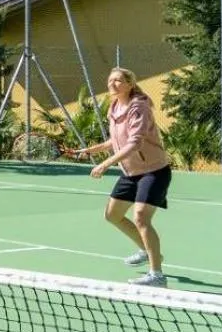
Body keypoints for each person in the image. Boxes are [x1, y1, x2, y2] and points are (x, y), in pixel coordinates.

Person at [66, 67, 171, 287]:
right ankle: (146, 249)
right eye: (110, 80)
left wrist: (104, 164)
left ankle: (157, 275)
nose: (113, 84)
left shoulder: (138, 107)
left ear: (130, 84)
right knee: (112, 215)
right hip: (130, 172)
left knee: (141, 217)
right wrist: (90, 151)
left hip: (153, 171)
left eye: (118, 81)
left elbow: (135, 143)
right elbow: (116, 140)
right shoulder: (114, 107)